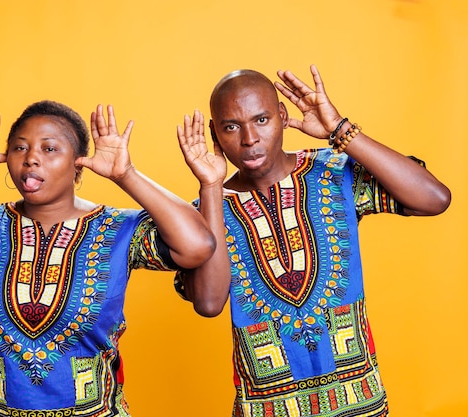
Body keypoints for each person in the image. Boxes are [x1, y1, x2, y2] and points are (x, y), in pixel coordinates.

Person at [0, 100, 215, 416]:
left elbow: (198, 245)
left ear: (79, 164)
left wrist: (126, 175)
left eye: (50, 149)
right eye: (20, 147)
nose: (31, 158)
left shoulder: (119, 230)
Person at [175, 65, 451, 416]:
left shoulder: (333, 172)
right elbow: (209, 304)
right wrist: (211, 187)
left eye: (261, 120)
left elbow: (434, 199)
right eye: (232, 127)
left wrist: (340, 131)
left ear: (282, 116)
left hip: (359, 401)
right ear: (215, 133)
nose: (249, 139)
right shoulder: (208, 210)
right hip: (266, 407)